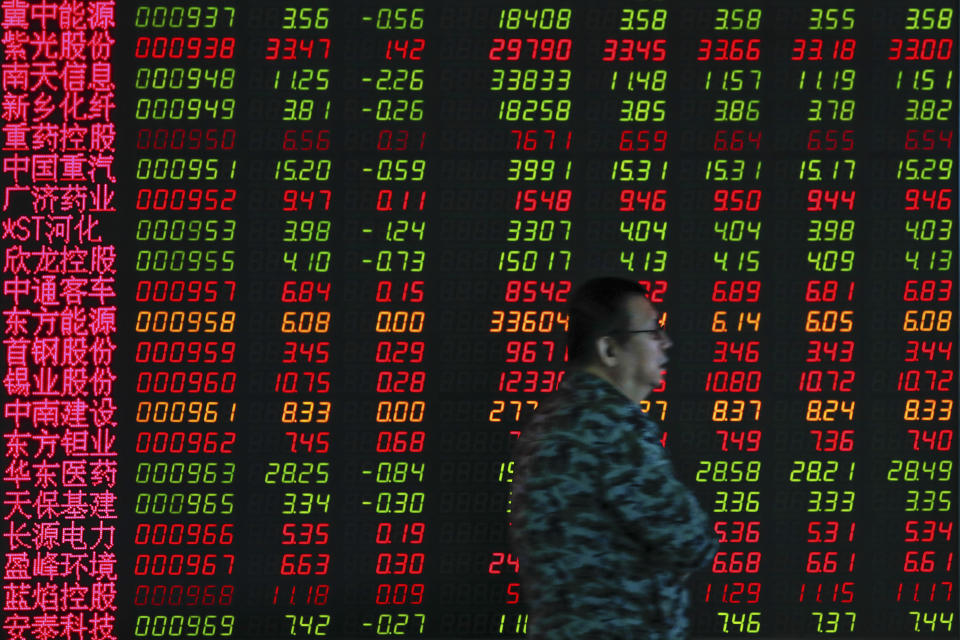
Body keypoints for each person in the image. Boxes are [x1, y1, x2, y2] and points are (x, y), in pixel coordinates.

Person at [510, 277, 717, 639]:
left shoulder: (548, 422)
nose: (666, 344)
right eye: (653, 332)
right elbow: (692, 542)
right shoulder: (613, 429)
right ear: (609, 350)